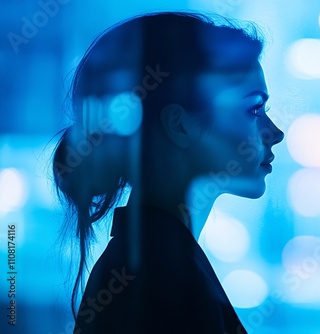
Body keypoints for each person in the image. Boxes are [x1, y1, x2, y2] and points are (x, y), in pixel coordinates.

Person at [51, 12, 284, 334]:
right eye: (253, 109)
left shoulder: (149, 266)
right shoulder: (163, 281)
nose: (275, 132)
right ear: (179, 125)